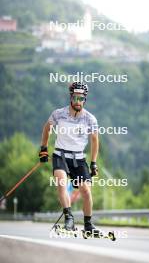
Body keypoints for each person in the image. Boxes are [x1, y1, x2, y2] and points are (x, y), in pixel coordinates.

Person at [39, 82, 99, 233]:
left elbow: (94, 140)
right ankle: (69, 217)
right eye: (75, 98)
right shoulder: (59, 113)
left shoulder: (90, 119)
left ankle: (88, 225)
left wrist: (93, 163)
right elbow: (47, 128)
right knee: (61, 182)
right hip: (60, 155)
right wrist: (44, 149)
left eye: (81, 99)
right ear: (70, 97)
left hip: (79, 159)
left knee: (86, 190)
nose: (78, 102)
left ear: (85, 100)